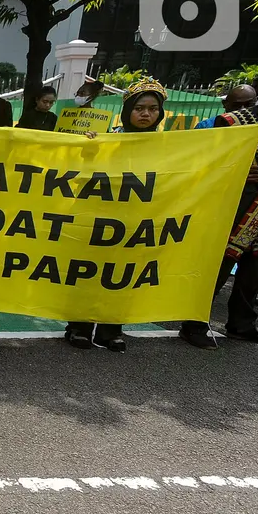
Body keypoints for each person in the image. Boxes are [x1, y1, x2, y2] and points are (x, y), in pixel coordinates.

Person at [180, 31, 258, 349]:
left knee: (256, 270)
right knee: (217, 266)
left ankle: (241, 324)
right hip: (236, 205)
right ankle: (193, 323)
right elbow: (210, 160)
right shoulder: (238, 120)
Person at [64, 77, 167, 353]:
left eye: (153, 109)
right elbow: (82, 174)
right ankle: (79, 327)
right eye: (139, 108)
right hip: (102, 217)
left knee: (124, 275)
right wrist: (90, 149)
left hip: (138, 220)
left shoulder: (170, 145)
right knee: (90, 273)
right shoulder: (108, 138)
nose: (146, 114)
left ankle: (112, 330)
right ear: (128, 110)